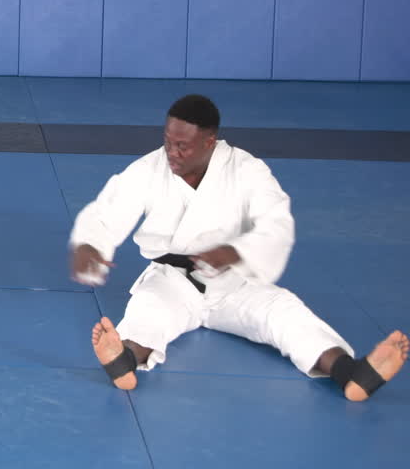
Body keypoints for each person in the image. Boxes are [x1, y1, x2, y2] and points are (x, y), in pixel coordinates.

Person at [70, 94, 407, 401]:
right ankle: (125, 360)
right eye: (167, 141)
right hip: (172, 279)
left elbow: (277, 223)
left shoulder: (247, 170)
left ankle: (350, 373)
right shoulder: (149, 168)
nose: (172, 152)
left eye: (183, 145)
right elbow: (109, 208)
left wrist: (235, 252)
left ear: (209, 142)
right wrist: (90, 244)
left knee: (285, 312)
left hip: (233, 281)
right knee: (148, 310)